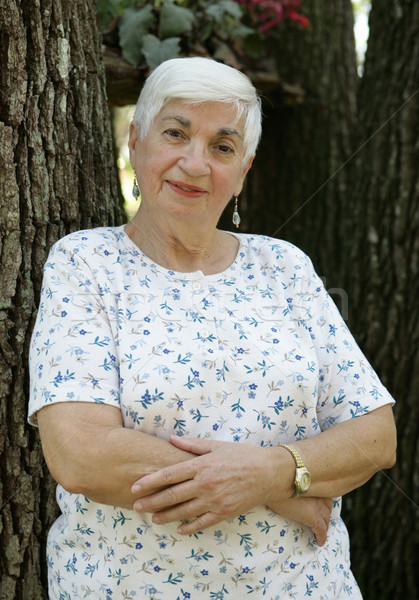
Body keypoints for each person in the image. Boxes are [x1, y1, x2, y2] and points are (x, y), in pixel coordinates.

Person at [29, 57, 396, 600]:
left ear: (243, 170)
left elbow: (374, 437)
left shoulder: (284, 266)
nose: (195, 163)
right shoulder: (86, 263)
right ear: (136, 141)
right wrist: (279, 490)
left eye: (222, 147)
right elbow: (80, 453)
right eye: (175, 133)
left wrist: (269, 475)